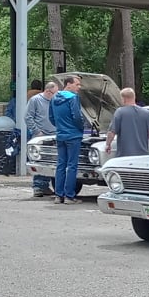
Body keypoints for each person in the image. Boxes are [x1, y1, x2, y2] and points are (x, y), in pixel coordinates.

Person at [49, 76, 86, 204]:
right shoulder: (73, 98)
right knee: (72, 166)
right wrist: (81, 128)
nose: (79, 87)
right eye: (77, 84)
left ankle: (58, 195)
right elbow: (77, 116)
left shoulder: (54, 97)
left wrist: (60, 126)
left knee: (60, 165)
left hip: (60, 135)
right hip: (73, 135)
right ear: (68, 84)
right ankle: (69, 196)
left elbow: (51, 117)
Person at [106, 87, 149, 159]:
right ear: (134, 97)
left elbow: (112, 132)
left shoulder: (120, 112)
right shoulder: (146, 113)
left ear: (123, 99)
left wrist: (108, 144)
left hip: (124, 156)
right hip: (143, 155)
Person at [26, 81, 59, 197]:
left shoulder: (55, 101)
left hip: (54, 134)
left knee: (53, 161)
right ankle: (39, 186)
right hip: (41, 136)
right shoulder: (35, 100)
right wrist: (37, 131)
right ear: (48, 92)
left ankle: (50, 186)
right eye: (55, 93)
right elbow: (28, 117)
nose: (57, 95)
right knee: (39, 160)